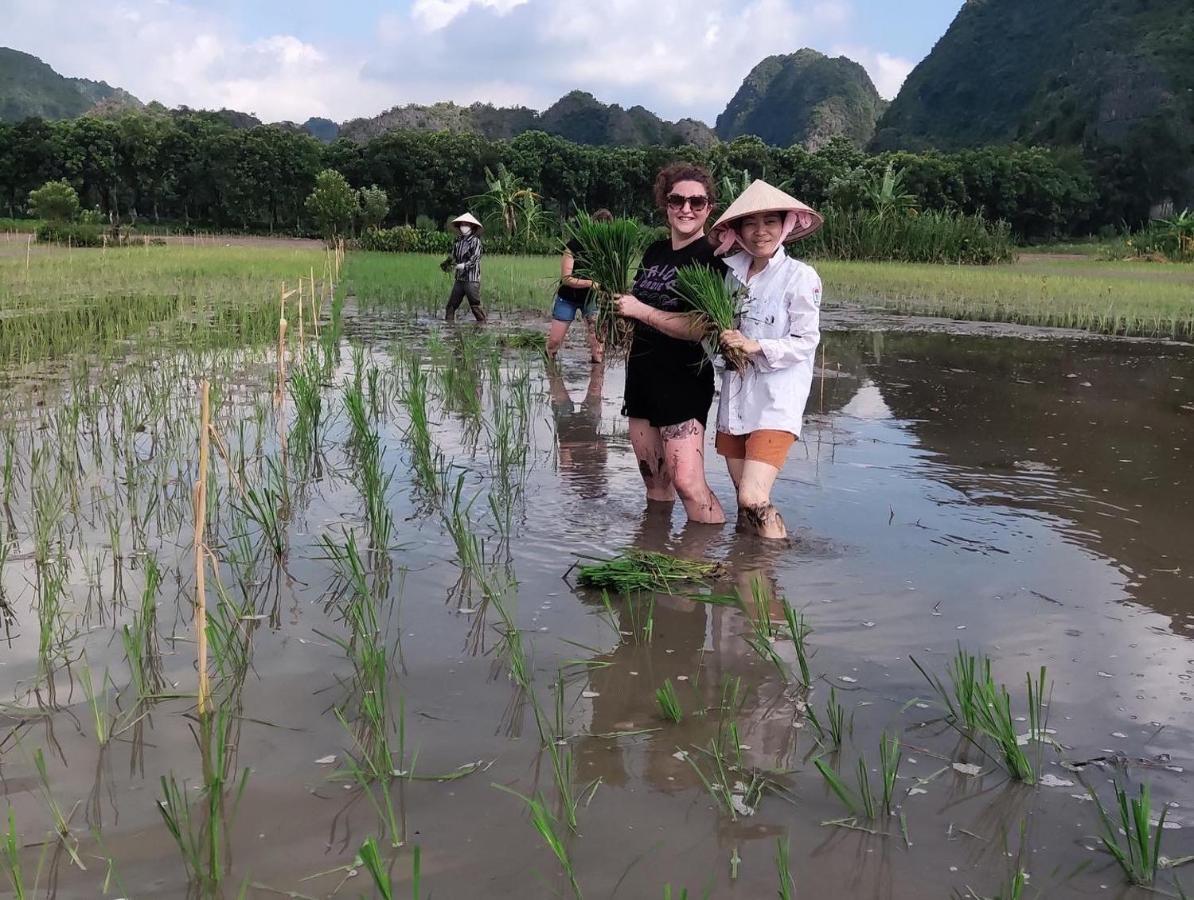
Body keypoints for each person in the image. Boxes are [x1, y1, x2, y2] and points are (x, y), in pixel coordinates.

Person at [708, 180, 824, 539]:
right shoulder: (731, 276)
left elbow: (806, 341)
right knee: (744, 504)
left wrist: (756, 346)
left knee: (752, 496)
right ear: (739, 231)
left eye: (770, 221)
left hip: (776, 403)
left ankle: (775, 568)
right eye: (751, 223)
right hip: (735, 402)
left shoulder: (800, 276)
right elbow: (719, 336)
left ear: (786, 226)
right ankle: (748, 573)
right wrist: (722, 341)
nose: (761, 232)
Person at [612, 164, 725, 525]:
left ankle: (714, 560)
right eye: (677, 199)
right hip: (642, 379)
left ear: (709, 207)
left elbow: (700, 327)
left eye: (697, 201)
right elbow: (637, 303)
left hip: (683, 383)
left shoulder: (713, 257)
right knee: (655, 483)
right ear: (666, 204)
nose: (686, 208)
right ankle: (657, 552)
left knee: (688, 483)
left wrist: (640, 310)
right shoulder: (655, 251)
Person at [548, 209, 613, 363]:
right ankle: (551, 374)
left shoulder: (607, 248)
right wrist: (591, 283)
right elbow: (566, 278)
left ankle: (597, 382)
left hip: (591, 300)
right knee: (554, 343)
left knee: (598, 347)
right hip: (568, 297)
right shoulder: (575, 245)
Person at [442, 212, 486, 322]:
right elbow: (453, 257)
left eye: (466, 224)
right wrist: (448, 263)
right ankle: (449, 328)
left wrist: (461, 266)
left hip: (471, 279)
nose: (463, 227)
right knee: (451, 307)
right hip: (460, 280)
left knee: (475, 307)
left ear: (472, 226)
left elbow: (474, 259)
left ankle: (483, 327)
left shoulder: (476, 242)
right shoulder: (458, 242)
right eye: (462, 224)